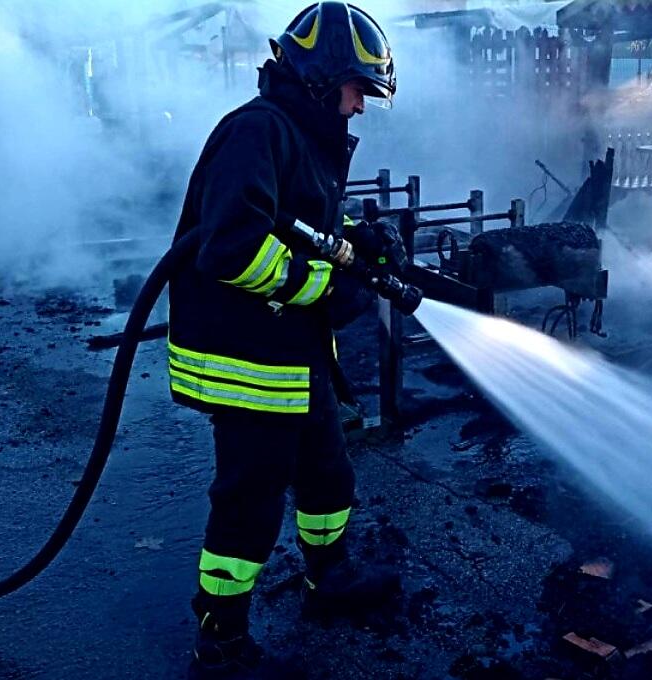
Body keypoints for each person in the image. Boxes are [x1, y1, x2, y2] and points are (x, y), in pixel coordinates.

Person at [166, 3, 401, 676]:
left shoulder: (302, 135)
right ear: (325, 79)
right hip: (245, 356)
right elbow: (234, 249)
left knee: (329, 471)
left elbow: (306, 219)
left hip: (293, 353)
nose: (362, 105)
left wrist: (360, 241)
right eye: (359, 89)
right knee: (250, 500)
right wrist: (324, 288)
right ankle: (221, 638)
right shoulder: (257, 132)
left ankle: (329, 578)